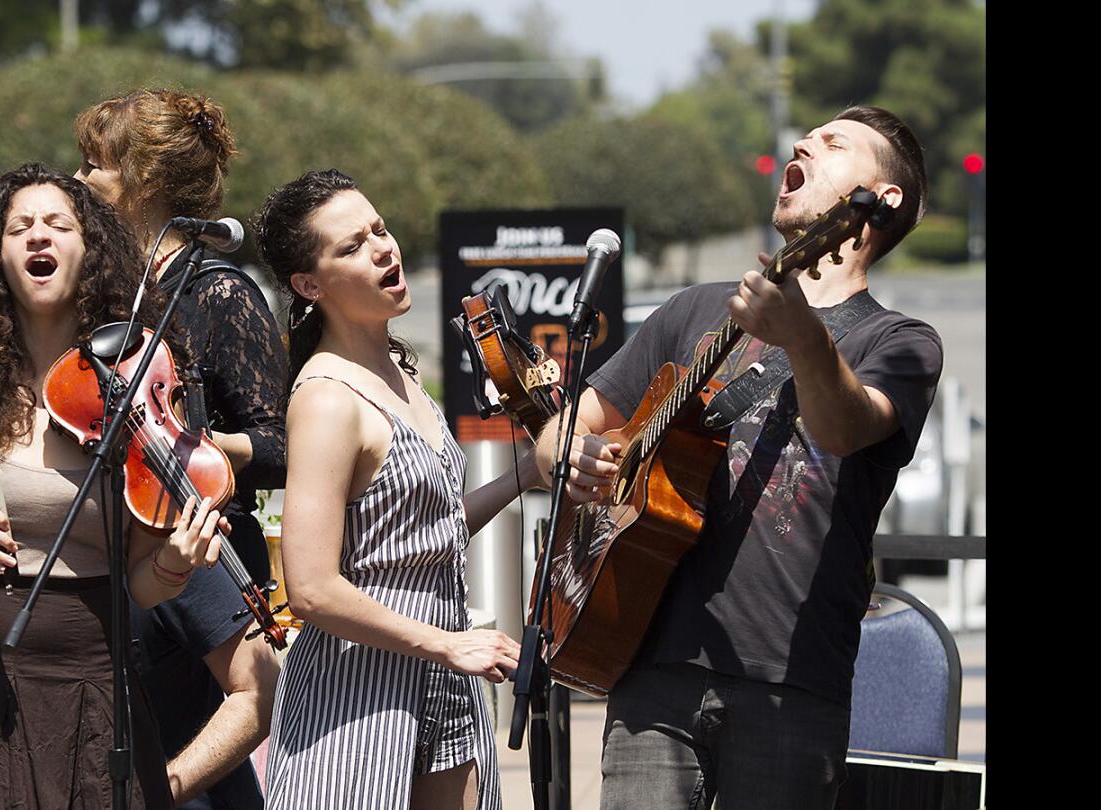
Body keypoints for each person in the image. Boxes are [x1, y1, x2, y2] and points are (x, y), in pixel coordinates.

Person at [533, 105, 944, 809]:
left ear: (878, 202)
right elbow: (565, 430)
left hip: (790, 680)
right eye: (805, 138)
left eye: (832, 143)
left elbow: (847, 427)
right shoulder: (694, 311)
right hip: (649, 663)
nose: (802, 145)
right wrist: (568, 459)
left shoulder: (900, 342)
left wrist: (803, 337)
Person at [0, 163, 231, 810]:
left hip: (89, 683)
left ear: (89, 249)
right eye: (20, 227)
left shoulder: (132, 385)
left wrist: (175, 564)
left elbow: (140, 583)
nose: (38, 236)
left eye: (57, 224)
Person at [252, 169, 537, 810]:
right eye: (352, 246)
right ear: (308, 284)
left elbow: (425, 535)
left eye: (379, 230)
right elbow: (313, 588)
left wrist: (528, 473)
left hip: (444, 680)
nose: (384, 248)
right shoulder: (326, 398)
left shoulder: (401, 372)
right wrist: (448, 644)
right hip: (357, 695)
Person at [72, 88, 286, 809]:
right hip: (136, 543)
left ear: (147, 181)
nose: (80, 181)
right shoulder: (110, 297)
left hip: (208, 554)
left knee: (199, 763)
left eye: (94, 165)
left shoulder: (220, 292)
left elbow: (284, 441)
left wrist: (194, 443)